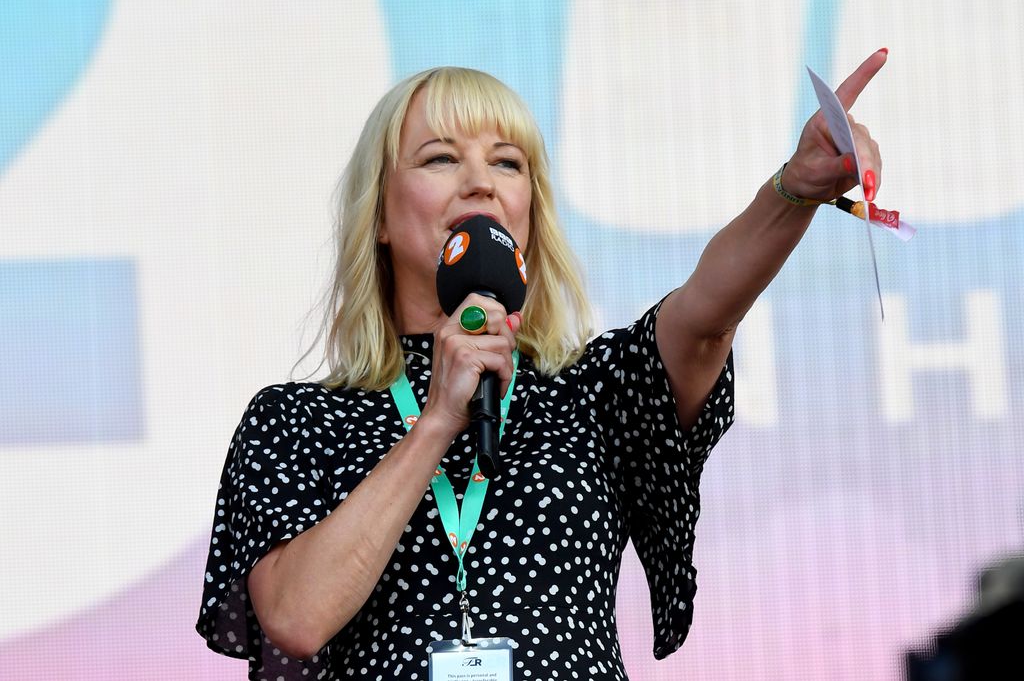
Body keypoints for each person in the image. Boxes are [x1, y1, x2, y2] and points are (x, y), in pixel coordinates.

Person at [197, 51, 886, 680]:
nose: (480, 184)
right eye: (440, 159)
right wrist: (437, 420)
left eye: (507, 163)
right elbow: (294, 618)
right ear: (379, 213)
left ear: (529, 209)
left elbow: (705, 319)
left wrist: (795, 189)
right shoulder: (297, 421)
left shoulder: (590, 394)